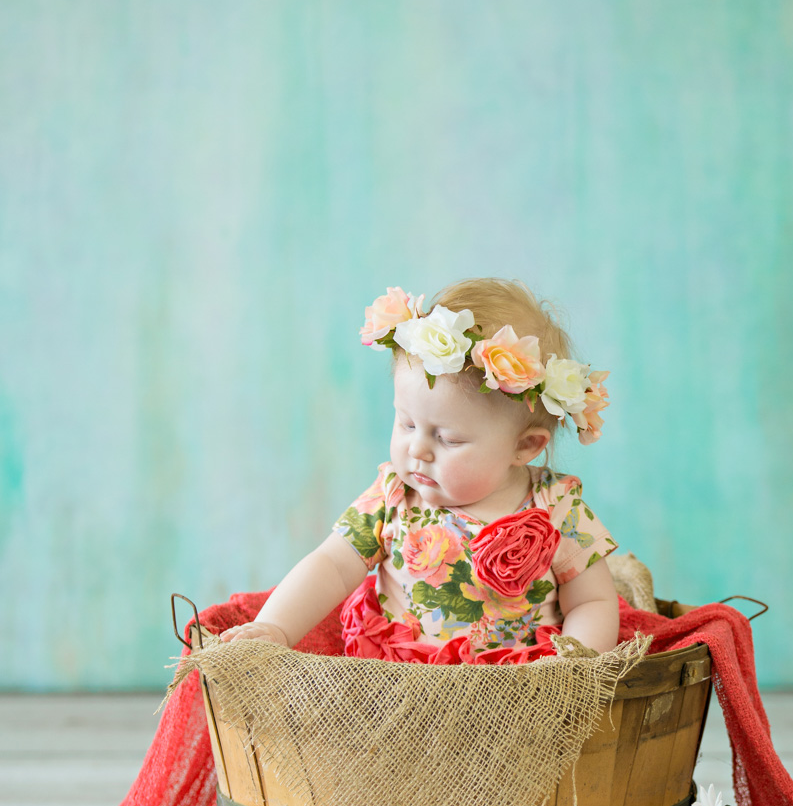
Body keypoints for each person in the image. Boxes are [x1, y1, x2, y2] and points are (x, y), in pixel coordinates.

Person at [220, 279, 619, 663]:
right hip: (400, 681)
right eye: (407, 424)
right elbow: (333, 565)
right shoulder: (393, 496)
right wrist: (276, 627)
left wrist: (574, 665)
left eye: (448, 439)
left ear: (524, 446)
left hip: (517, 689)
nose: (418, 450)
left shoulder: (555, 507)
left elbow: (591, 600)